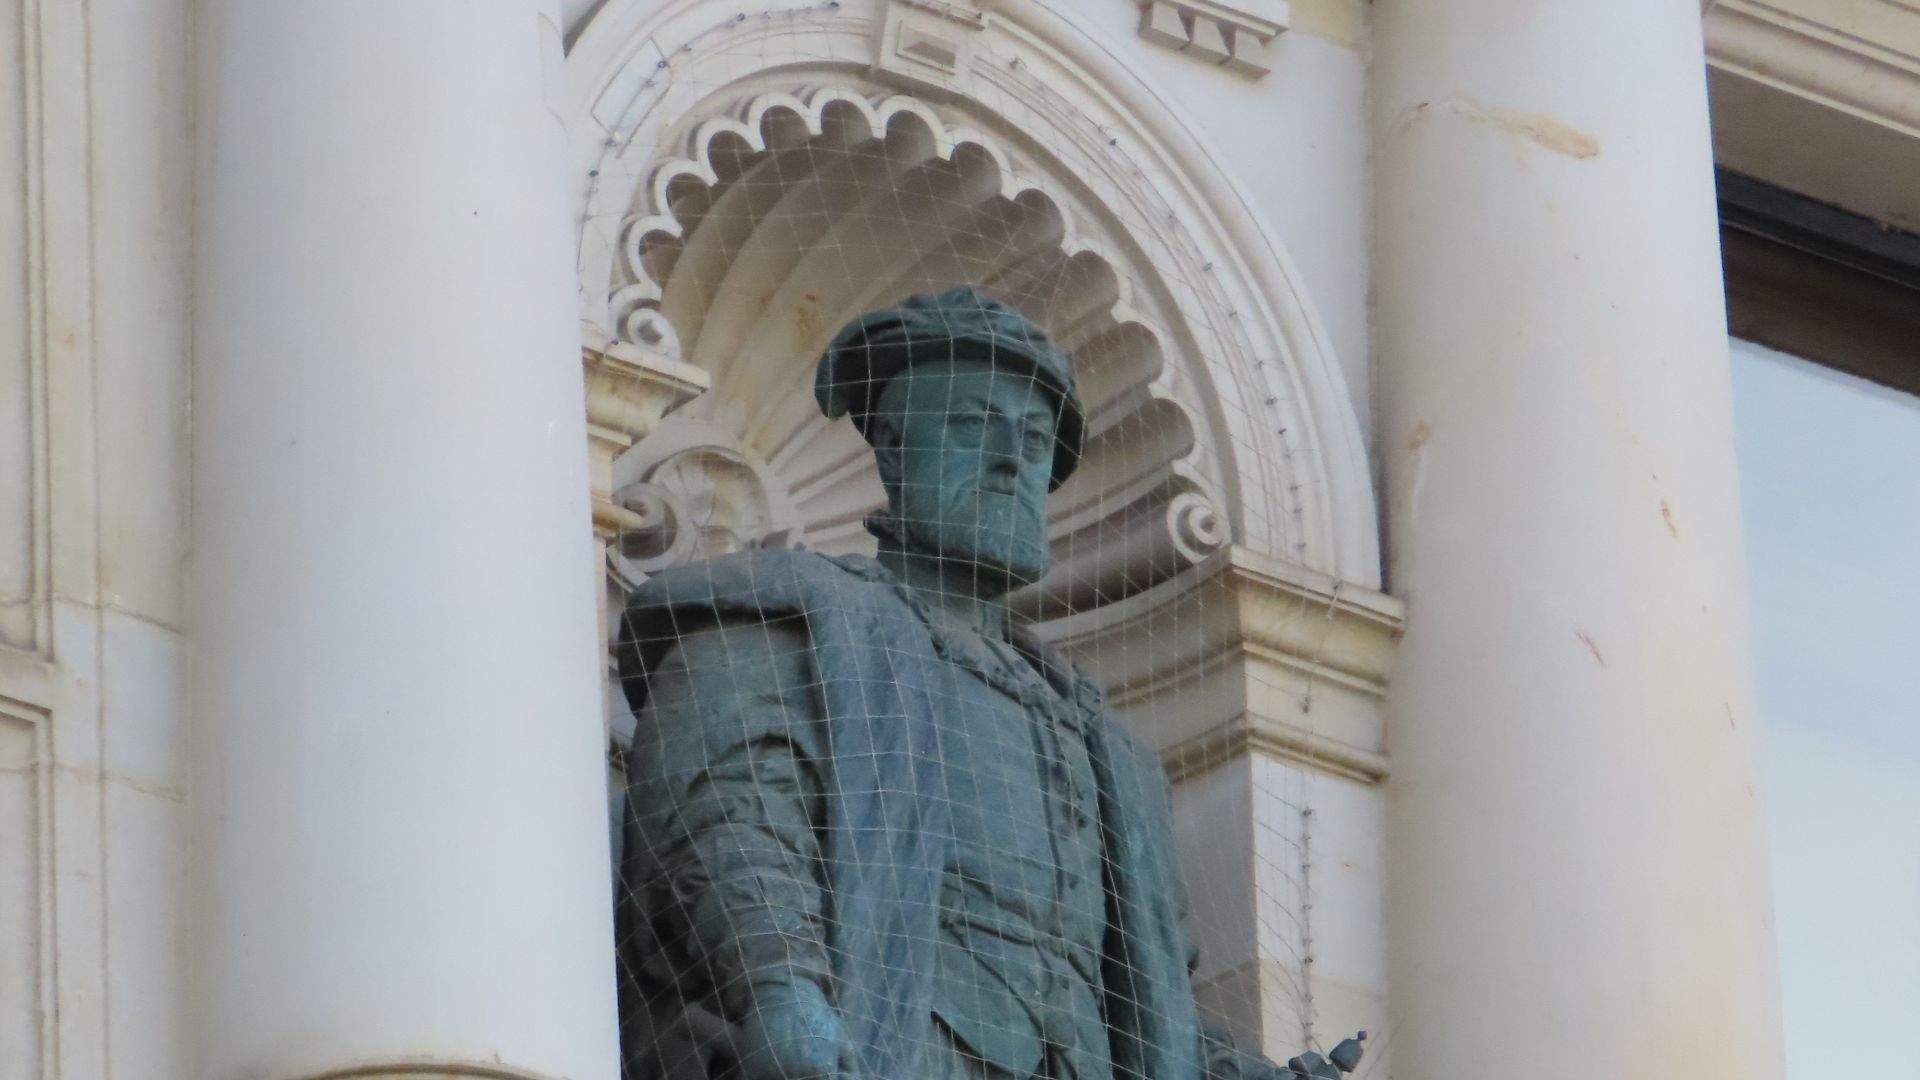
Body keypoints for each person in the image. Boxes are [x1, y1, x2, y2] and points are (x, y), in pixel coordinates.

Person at [616, 287, 1360, 1080]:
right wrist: (780, 987)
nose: (1013, 461)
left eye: (1035, 440)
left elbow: (1144, 1008)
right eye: (973, 425)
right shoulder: (788, 625)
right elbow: (729, 826)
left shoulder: (1097, 740)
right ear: (893, 451)